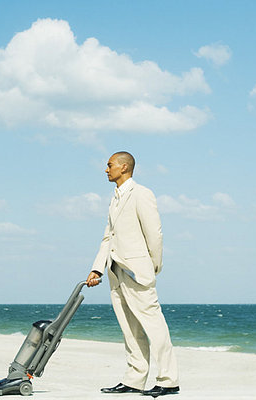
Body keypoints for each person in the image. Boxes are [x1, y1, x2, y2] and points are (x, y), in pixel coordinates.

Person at [86, 151, 180, 397]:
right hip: (115, 272)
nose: (106, 170)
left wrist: (153, 266)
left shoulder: (142, 194)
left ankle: (169, 380)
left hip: (138, 272)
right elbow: (109, 235)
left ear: (124, 167)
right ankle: (134, 380)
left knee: (154, 326)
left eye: (109, 165)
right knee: (130, 329)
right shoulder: (114, 197)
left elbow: (155, 234)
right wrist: (97, 267)